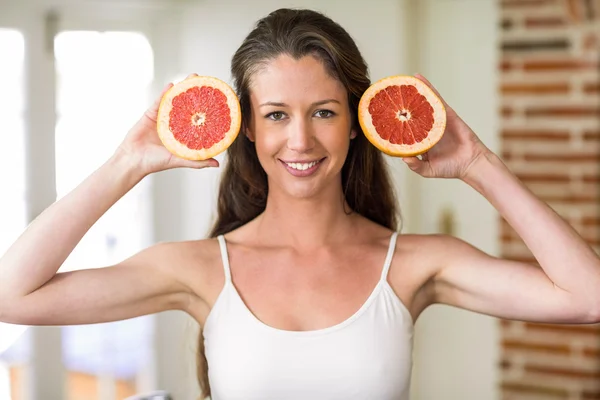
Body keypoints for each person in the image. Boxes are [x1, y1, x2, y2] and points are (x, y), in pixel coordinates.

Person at [1, 7, 599, 400]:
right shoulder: (201, 270)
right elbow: (11, 295)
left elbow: (588, 298)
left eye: (324, 112)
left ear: (357, 122)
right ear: (248, 129)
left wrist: (477, 164)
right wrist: (124, 165)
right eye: (276, 115)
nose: (301, 141)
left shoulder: (416, 264)